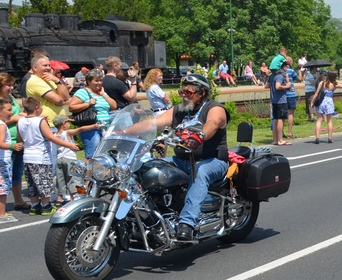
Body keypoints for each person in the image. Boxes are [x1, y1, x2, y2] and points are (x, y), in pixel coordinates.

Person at [137, 73, 230, 241]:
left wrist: (199, 136)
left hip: (212, 160)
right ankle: (153, 216)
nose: (184, 95)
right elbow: (153, 123)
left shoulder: (214, 108)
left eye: (189, 92)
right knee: (149, 168)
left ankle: (186, 223)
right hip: (181, 161)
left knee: (200, 172)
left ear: (202, 93)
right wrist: (121, 132)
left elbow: (213, 124)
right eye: (182, 92)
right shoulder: (179, 110)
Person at [17, 96, 79, 216]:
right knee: (45, 181)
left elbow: (20, 138)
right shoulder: (41, 121)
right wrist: (69, 145)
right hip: (40, 156)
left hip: (27, 156)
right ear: (37, 108)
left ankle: (35, 206)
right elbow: (51, 137)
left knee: (32, 183)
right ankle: (45, 206)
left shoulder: (21, 121)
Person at [0, 73, 29, 211]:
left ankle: (18, 201)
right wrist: (15, 119)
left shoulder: (11, 99)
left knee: (17, 173)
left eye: (11, 85)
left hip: (17, 142)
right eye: (8, 85)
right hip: (4, 146)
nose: (11, 87)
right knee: (0, 177)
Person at [0, 99, 23, 223]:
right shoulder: (1, 125)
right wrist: (13, 146)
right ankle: (1, 215)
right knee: (2, 187)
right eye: (8, 110)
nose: (11, 112)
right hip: (0, 160)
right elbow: (0, 143)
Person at [67, 69, 117, 154]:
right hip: (91, 128)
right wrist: (88, 104)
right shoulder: (82, 92)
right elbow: (71, 107)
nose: (99, 83)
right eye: (96, 81)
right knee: (92, 154)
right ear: (89, 81)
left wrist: (103, 94)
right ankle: (89, 167)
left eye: (101, 80)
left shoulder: (102, 93)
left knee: (104, 154)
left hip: (105, 128)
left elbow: (114, 106)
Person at [25, 54, 71, 120]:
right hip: (48, 122)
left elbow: (66, 97)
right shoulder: (35, 81)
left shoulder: (50, 79)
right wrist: (62, 101)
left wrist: (57, 81)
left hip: (59, 121)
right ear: (35, 68)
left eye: (49, 65)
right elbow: (59, 101)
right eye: (45, 65)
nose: (49, 68)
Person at [51, 114, 81, 204]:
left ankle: (59, 198)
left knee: (60, 179)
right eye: (68, 122)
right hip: (70, 158)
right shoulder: (67, 132)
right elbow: (80, 129)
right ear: (63, 124)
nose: (69, 124)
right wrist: (94, 126)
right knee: (72, 178)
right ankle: (73, 198)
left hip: (59, 158)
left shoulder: (55, 135)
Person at [267, 55, 292, 146]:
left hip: (273, 100)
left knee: (275, 119)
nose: (287, 68)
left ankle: (275, 139)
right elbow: (278, 86)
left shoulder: (272, 76)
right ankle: (280, 139)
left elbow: (266, 86)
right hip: (281, 100)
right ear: (282, 67)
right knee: (281, 120)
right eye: (286, 66)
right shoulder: (280, 76)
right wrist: (287, 86)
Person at [311, 70, 338, 144]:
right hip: (329, 102)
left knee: (319, 120)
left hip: (321, 102)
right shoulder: (334, 84)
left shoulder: (322, 83)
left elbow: (316, 93)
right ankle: (329, 138)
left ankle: (317, 137)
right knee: (329, 121)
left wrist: (312, 102)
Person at [284, 58, 300, 138]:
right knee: (290, 114)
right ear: (290, 62)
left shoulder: (280, 71)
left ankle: (281, 132)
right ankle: (289, 132)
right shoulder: (291, 71)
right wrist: (300, 71)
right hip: (290, 94)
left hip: (283, 95)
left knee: (282, 114)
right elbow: (299, 79)